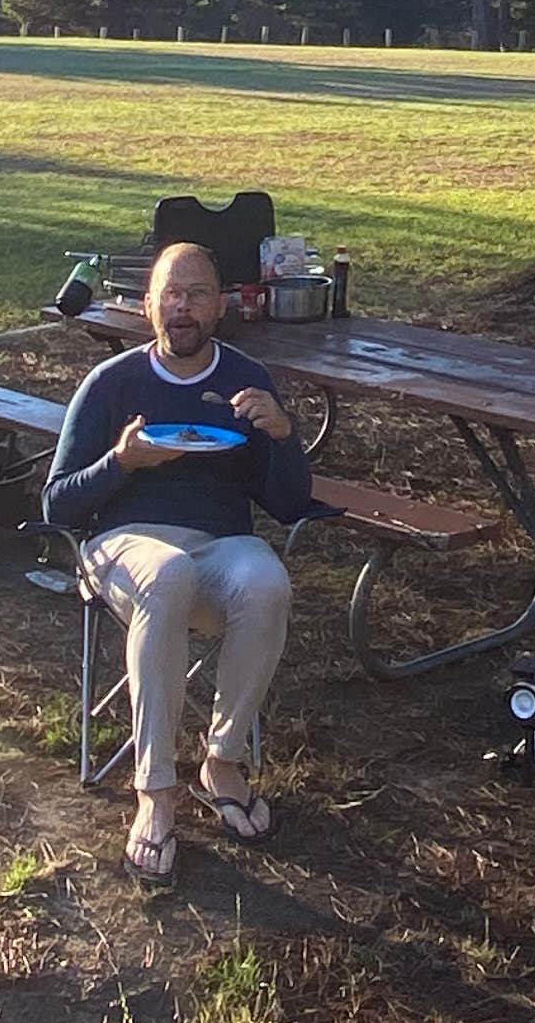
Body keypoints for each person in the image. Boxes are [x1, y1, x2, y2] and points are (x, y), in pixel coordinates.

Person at [43, 242, 330, 878]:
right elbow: (57, 505)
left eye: (196, 294)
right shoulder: (113, 383)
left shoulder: (245, 380)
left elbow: (287, 504)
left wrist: (284, 437)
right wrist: (120, 463)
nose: (182, 307)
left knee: (267, 581)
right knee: (167, 575)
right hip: (126, 545)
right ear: (147, 306)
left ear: (220, 306)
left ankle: (221, 760)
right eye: (170, 294)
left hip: (221, 542)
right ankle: (155, 792)